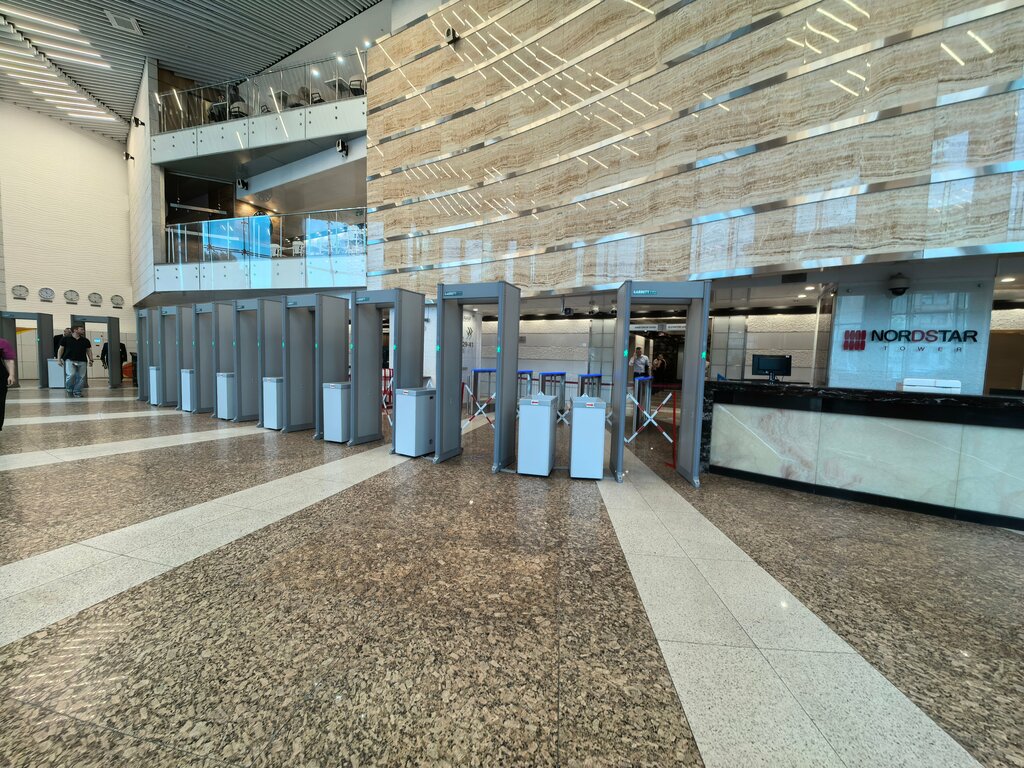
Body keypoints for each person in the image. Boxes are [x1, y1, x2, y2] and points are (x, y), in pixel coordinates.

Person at [57, 325, 93, 397]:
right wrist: (59, 359)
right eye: (81, 329)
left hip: (82, 360)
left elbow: (88, 350)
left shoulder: (85, 340)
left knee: (81, 377)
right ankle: (69, 389)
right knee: (71, 375)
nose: (83, 331)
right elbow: (61, 349)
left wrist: (91, 359)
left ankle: (77, 391)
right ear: (75, 330)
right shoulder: (65, 339)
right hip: (69, 360)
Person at [0, 335, 15, 430]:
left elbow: (9, 360)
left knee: (0, 402)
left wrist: (11, 375)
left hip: (0, 377)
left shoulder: (3, 343)